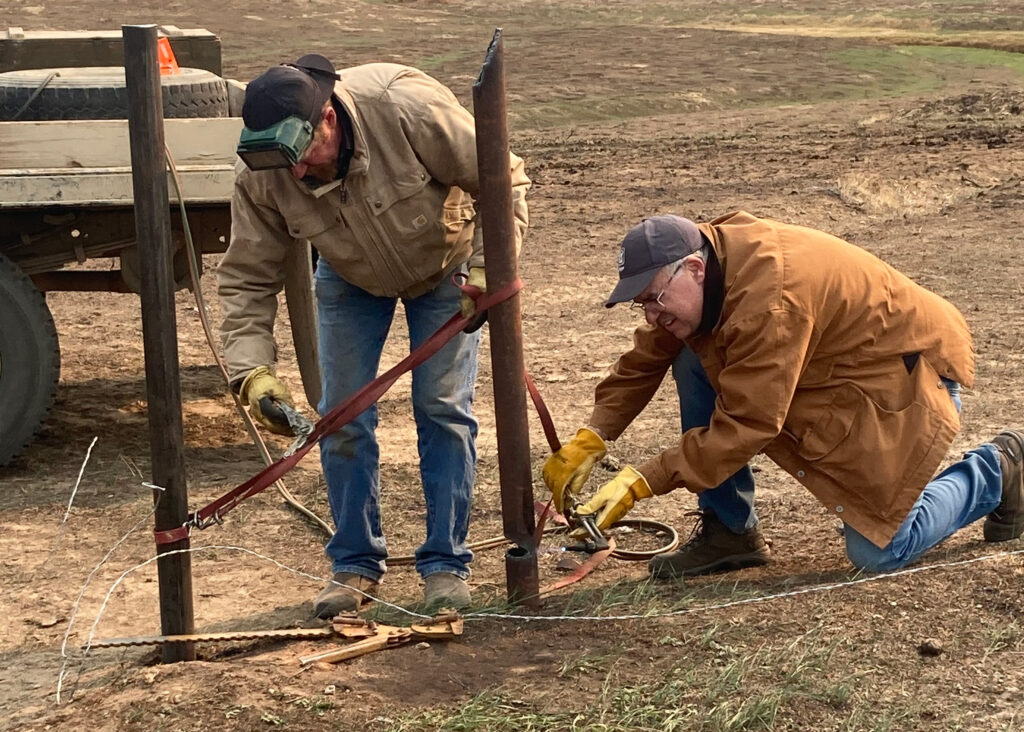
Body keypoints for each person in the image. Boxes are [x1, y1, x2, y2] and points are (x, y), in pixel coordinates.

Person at [543, 212, 1023, 578]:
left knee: (880, 551)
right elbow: (648, 355)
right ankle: (729, 531)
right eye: (640, 302)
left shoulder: (769, 301)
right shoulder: (710, 264)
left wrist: (642, 481)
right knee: (689, 351)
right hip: (832, 362)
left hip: (904, 374)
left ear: (692, 267)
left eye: (652, 297)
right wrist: (594, 434)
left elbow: (750, 422)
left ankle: (998, 469)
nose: (649, 313)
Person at [218, 54, 529, 616]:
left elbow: (502, 177)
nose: (295, 175)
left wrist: (487, 270)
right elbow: (246, 276)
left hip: (447, 269)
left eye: (302, 156)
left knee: (441, 408)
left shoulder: (404, 108)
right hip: (348, 276)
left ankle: (445, 565)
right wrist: (252, 370)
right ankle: (355, 565)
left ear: (329, 119)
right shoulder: (264, 172)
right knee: (341, 415)